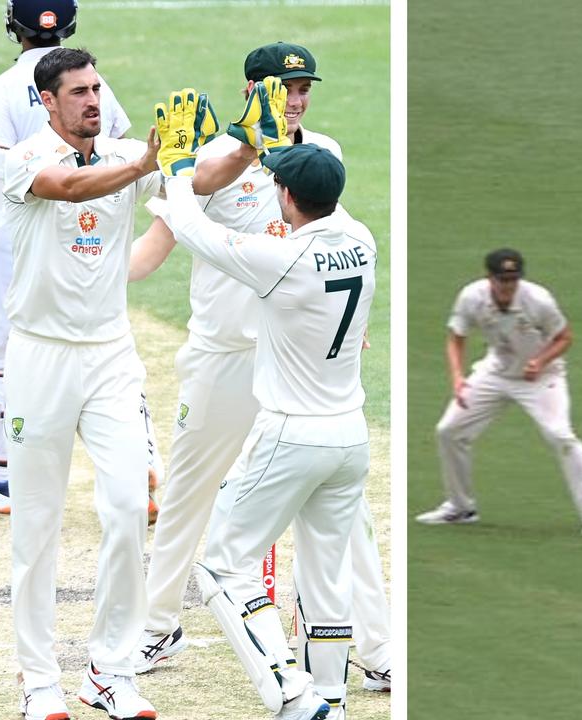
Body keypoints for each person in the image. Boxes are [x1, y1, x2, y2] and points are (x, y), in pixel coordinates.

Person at [129, 42, 391, 695]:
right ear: (254, 89)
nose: (297, 98)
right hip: (225, 354)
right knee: (190, 491)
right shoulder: (217, 151)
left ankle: (379, 648)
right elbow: (183, 207)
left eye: (304, 87)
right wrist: (243, 151)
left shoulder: (322, 153)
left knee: (342, 518)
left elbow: (335, 240)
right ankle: (158, 627)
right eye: (284, 87)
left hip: (295, 362)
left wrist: (341, 329)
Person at [2, 47, 163, 720]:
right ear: (48, 100)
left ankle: (112, 672)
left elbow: (200, 183)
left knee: (127, 509)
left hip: (110, 356)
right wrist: (145, 164)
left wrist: (245, 140)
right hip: (39, 357)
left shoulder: (125, 155)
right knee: (36, 524)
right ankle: (39, 681)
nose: (94, 100)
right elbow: (69, 189)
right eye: (79, 92)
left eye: (98, 88)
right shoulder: (22, 160)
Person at [0, 0, 135, 515]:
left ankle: (0, 476)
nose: (89, 97)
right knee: (108, 344)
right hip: (86, 236)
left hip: (15, 234)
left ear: (13, 26)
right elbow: (118, 148)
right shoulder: (92, 78)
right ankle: (141, 456)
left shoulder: (3, 86)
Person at [415, 248, 582, 537]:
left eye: (513, 279)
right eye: (502, 279)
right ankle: (460, 508)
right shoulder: (471, 297)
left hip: (542, 379)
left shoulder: (538, 300)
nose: (508, 285)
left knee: (561, 436)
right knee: (449, 430)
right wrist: (458, 377)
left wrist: (540, 360)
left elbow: (565, 337)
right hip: (495, 372)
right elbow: (456, 338)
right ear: (489, 278)